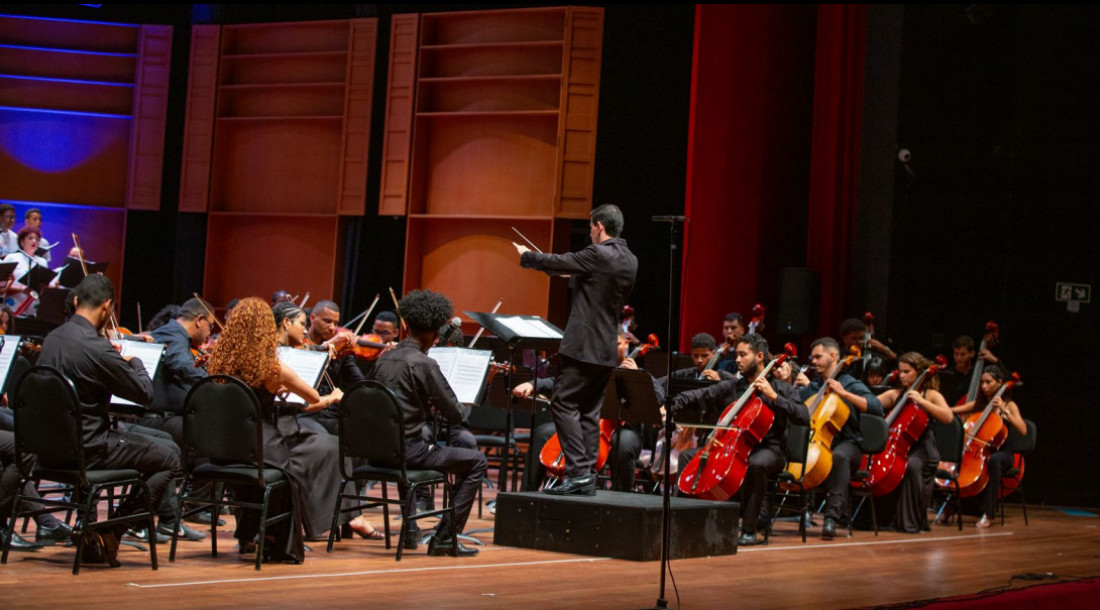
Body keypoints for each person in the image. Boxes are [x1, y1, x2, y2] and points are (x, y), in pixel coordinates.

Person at [36, 274, 182, 567]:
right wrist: (135, 363)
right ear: (107, 308)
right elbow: (143, 394)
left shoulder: (52, 339)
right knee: (170, 457)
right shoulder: (96, 347)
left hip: (50, 449)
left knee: (140, 440)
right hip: (89, 450)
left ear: (76, 301)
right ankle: (112, 530)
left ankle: (91, 531)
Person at [206, 297, 345, 563]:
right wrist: (335, 396)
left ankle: (252, 532)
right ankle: (274, 540)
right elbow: (313, 398)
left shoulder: (218, 363)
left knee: (287, 461)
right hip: (259, 447)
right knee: (287, 474)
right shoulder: (274, 368)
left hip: (222, 446)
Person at [513, 204, 638, 495]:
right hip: (605, 348)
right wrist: (573, 275)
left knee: (563, 403)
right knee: (588, 412)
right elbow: (595, 284)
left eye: (591, 227)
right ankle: (586, 476)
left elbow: (558, 261)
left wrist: (527, 257)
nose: (591, 233)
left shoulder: (596, 253)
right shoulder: (630, 260)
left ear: (599, 226)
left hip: (582, 346)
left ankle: (579, 472)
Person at [368, 289, 488, 557]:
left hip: (376, 452)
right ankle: (445, 537)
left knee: (404, 438)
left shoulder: (383, 358)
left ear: (406, 325)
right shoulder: (424, 364)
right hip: (409, 453)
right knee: (477, 461)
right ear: (435, 335)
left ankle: (411, 531)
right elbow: (457, 415)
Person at [672, 333, 809, 546]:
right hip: (733, 447)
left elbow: (803, 416)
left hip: (770, 450)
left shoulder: (782, 388)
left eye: (743, 355)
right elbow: (702, 395)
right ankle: (684, 521)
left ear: (760, 357)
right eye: (737, 355)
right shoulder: (734, 386)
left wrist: (774, 397)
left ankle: (749, 529)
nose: (737, 360)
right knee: (689, 457)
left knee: (756, 464)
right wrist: (670, 405)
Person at [515, 332, 663, 492]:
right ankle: (525, 494)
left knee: (623, 445)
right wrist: (532, 384)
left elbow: (659, 397)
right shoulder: (592, 370)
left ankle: (621, 500)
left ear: (626, 343)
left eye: (616, 344)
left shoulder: (637, 372)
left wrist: (637, 374)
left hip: (625, 429)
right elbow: (559, 382)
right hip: (586, 424)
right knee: (542, 432)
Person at [793, 337, 884, 539]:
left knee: (839, 457)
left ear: (833, 356)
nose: (813, 361)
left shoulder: (850, 383)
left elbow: (876, 406)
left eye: (818, 357)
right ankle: (801, 510)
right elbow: (794, 406)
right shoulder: (815, 386)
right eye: (812, 357)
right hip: (819, 443)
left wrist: (844, 394)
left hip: (849, 445)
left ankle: (831, 518)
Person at [873, 352, 954, 533]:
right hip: (902, 447)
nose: (901, 375)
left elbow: (948, 417)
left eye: (906, 372)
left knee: (911, 467)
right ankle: (885, 517)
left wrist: (921, 401)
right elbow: (871, 404)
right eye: (900, 371)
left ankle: (910, 522)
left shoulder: (930, 394)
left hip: (924, 449)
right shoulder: (896, 393)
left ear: (918, 372)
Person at [952, 363, 1026, 527]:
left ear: (999, 383)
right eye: (982, 383)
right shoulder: (979, 404)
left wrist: (1003, 411)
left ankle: (988, 513)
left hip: (1003, 453)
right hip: (981, 451)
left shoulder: (1009, 405)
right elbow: (953, 410)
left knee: (994, 461)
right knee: (959, 458)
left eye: (988, 382)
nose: (984, 386)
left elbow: (1023, 429)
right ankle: (949, 507)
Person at [3, 226, 59, 314]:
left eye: (37, 239)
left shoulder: (42, 262)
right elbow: (2, 285)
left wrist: (52, 287)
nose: (34, 241)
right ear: (22, 242)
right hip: (12, 307)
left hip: (33, 309)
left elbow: (44, 287)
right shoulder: (12, 257)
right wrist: (22, 289)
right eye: (30, 238)